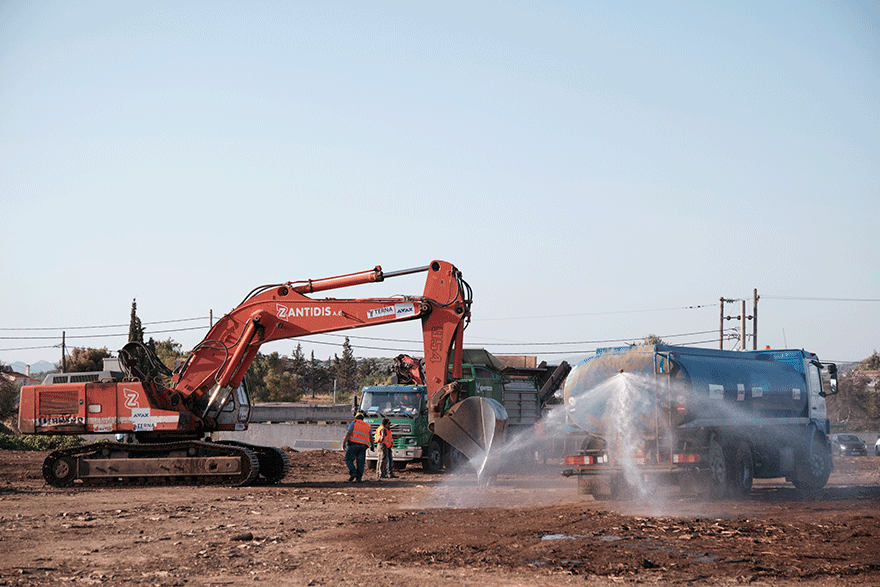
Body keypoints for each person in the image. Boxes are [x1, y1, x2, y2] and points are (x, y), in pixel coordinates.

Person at [342, 412, 373, 482]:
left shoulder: (353, 423)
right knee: (361, 463)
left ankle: (353, 472)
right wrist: (372, 446)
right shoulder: (368, 426)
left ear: (356, 418)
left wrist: (344, 442)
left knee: (348, 459)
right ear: (363, 418)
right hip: (363, 446)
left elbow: (349, 432)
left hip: (353, 445)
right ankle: (359, 479)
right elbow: (371, 437)